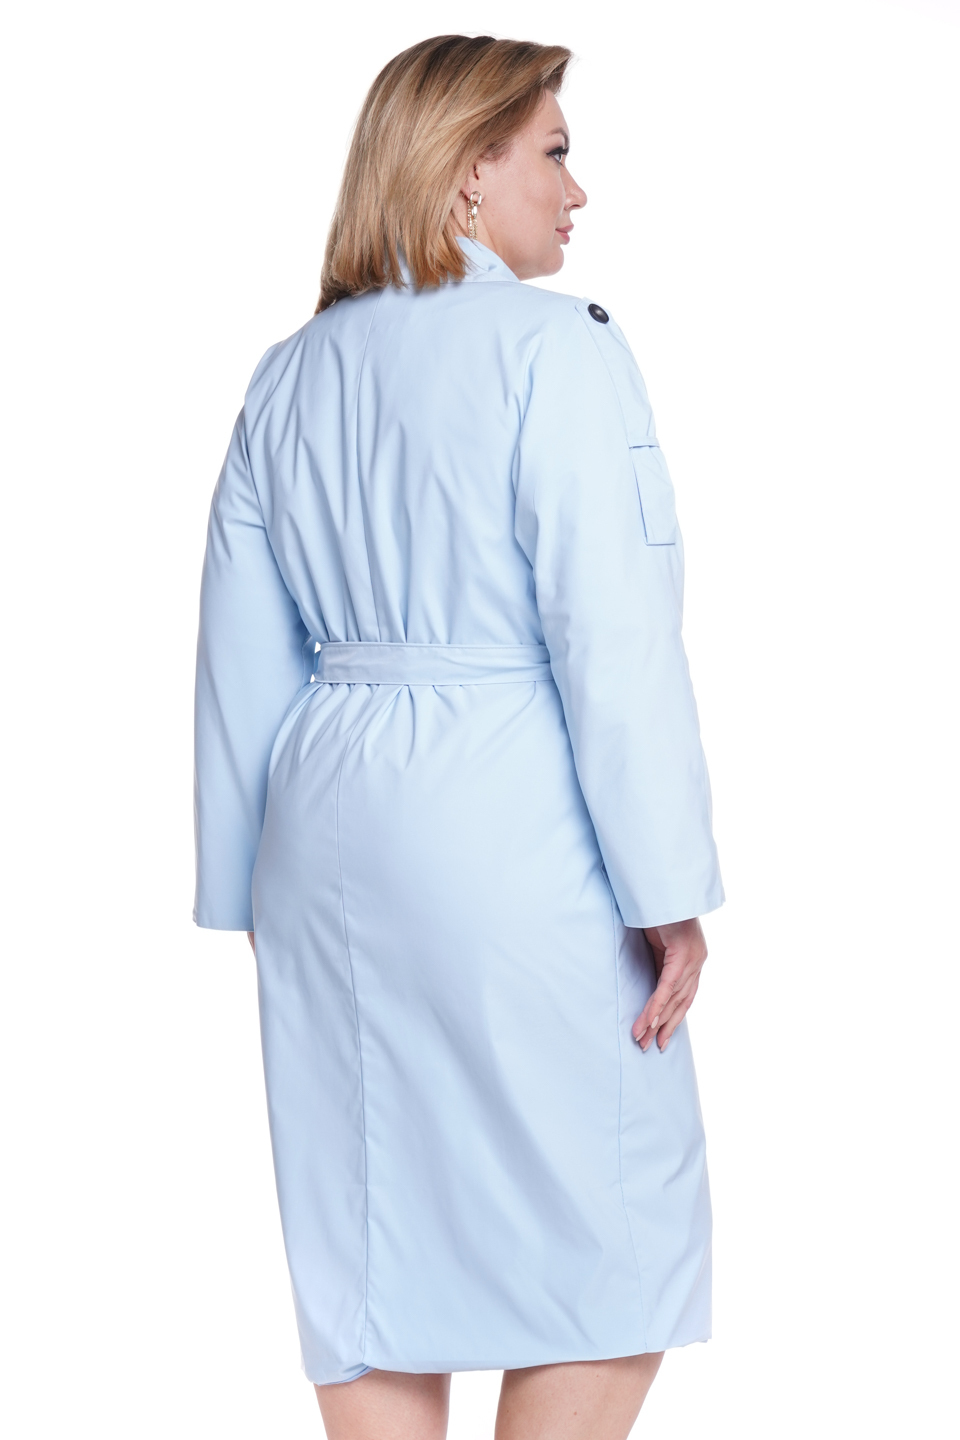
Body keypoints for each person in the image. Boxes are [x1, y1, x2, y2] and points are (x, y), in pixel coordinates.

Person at [194, 33, 723, 1440]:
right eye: (554, 152)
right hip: (511, 817)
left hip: (326, 837)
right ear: (467, 170)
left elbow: (239, 654)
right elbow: (611, 640)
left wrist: (250, 893)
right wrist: (667, 890)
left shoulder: (287, 374)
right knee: (613, 1241)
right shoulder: (557, 350)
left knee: (366, 1238)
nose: (578, 190)